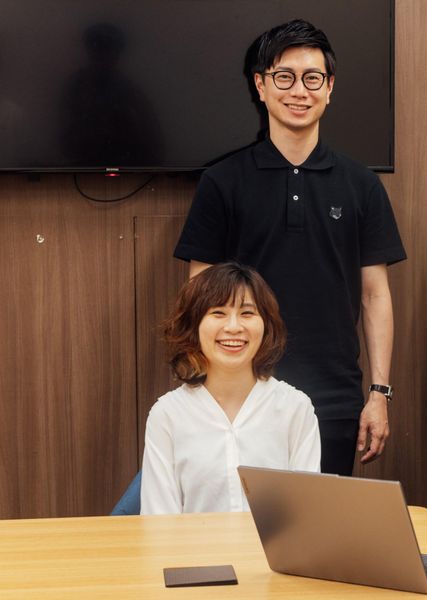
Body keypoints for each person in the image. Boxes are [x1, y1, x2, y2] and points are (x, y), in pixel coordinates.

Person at [173, 19, 406, 476]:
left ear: (329, 88)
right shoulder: (222, 181)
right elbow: (201, 292)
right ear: (260, 86)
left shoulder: (361, 184)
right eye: (284, 77)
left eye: (312, 78)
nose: (299, 91)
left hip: (334, 398)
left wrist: (379, 393)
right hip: (241, 392)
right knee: (235, 517)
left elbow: (375, 294)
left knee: (319, 521)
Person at [140, 262, 320, 514]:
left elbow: (306, 516)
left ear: (266, 325)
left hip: (272, 544)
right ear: (194, 325)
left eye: (247, 313)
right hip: (195, 543)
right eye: (218, 312)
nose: (234, 327)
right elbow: (159, 519)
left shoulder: (295, 408)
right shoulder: (167, 415)